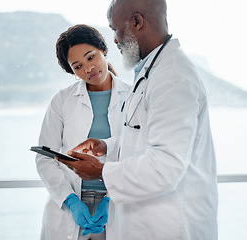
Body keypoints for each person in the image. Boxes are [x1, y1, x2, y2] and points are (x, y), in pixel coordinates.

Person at [57, 0, 219, 239]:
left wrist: (100, 171)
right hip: (145, 223)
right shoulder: (150, 72)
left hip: (170, 227)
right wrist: (107, 146)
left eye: (114, 29)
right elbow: (143, 139)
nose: (113, 40)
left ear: (136, 22)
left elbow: (165, 167)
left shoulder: (172, 77)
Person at [35, 24, 130, 240]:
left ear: (103, 50)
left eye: (91, 57)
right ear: (72, 71)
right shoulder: (62, 100)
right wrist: (70, 201)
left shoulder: (133, 97)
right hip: (69, 203)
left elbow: (137, 152)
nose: (88, 68)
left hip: (117, 203)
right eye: (77, 66)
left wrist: (110, 199)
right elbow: (44, 159)